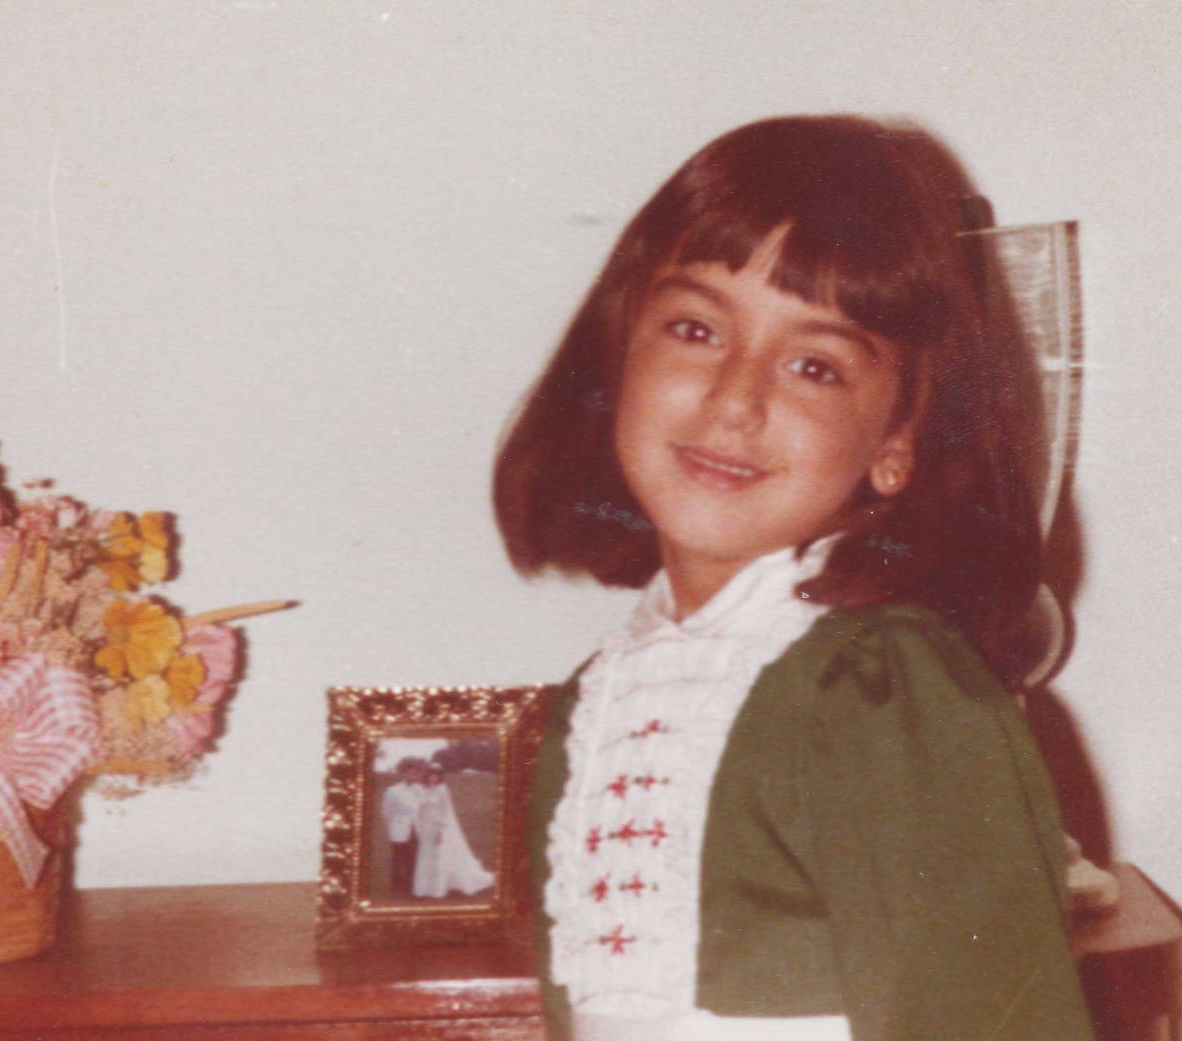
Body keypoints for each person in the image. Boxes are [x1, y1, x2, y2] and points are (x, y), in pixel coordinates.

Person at [494, 115, 1096, 1041]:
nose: (736, 399)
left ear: (896, 444)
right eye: (696, 329)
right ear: (616, 360)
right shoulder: (596, 699)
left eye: (814, 366)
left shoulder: (881, 687)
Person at [412, 767, 496, 899]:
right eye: (431, 775)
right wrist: (420, 829)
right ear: (427, 776)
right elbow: (419, 811)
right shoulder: (424, 791)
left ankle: (437, 889)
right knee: (426, 857)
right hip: (426, 828)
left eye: (436, 776)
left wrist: (441, 831)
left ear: (440, 777)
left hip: (438, 827)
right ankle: (424, 888)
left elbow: (446, 812)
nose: (433, 778)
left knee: (439, 856)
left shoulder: (442, 791)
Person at [381, 757, 427, 899]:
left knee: (413, 858)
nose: (411, 776)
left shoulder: (420, 789)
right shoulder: (393, 791)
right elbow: (387, 812)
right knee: (398, 859)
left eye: (414, 773)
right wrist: (392, 828)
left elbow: (422, 809)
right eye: (408, 773)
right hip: (399, 829)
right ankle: (396, 886)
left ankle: (411, 886)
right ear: (402, 774)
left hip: (416, 829)